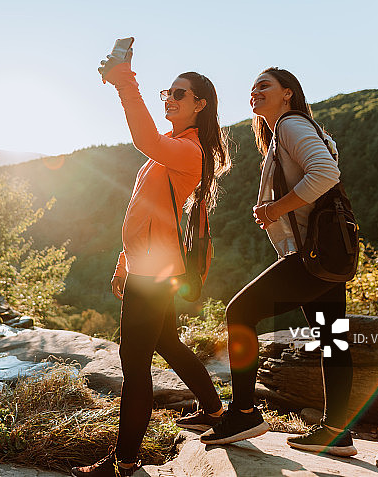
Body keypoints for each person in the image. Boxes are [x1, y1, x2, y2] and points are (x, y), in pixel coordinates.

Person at [71, 45, 229, 476]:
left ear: (200, 104)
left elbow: (144, 138)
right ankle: (215, 410)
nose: (170, 99)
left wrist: (125, 81)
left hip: (154, 274)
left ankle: (123, 462)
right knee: (167, 343)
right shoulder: (174, 146)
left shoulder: (189, 150)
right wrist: (124, 262)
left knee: (135, 366)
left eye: (179, 94)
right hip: (151, 266)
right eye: (167, 93)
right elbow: (146, 211)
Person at [199, 68, 357, 457]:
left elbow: (326, 173)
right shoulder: (295, 130)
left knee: (239, 312)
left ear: (288, 93)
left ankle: (243, 413)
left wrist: (274, 209)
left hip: (310, 255)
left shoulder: (290, 125)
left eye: (264, 85)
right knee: (333, 338)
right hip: (332, 251)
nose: (255, 91)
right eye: (252, 87)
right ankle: (337, 432)